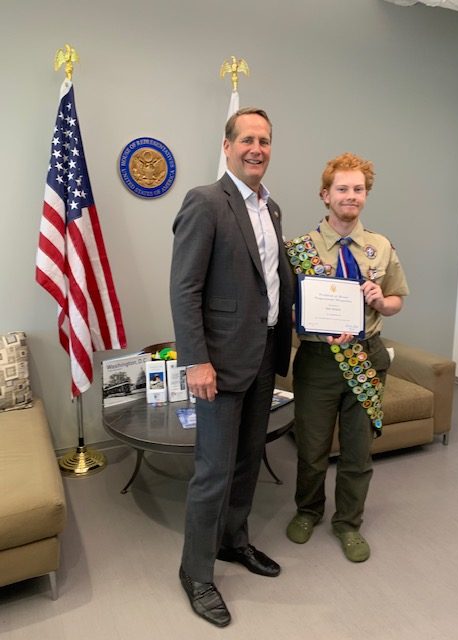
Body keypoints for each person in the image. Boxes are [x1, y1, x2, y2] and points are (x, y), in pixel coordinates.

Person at [170, 107, 294, 627]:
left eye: (264, 140)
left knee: (247, 462)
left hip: (264, 356)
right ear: (227, 146)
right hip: (218, 364)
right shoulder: (205, 201)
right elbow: (185, 288)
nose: (256, 148)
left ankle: (232, 542)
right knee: (213, 471)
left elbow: (270, 281)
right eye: (247, 138)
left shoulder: (273, 208)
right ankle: (195, 573)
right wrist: (196, 360)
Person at [285, 152, 409, 562]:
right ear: (326, 195)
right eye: (343, 189)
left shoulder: (380, 247)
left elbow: (395, 303)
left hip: (366, 358)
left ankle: (348, 523)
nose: (350, 196)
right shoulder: (298, 250)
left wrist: (381, 299)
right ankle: (308, 510)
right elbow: (284, 308)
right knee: (312, 447)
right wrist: (299, 315)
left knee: (357, 452)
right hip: (318, 359)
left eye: (358, 189)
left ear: (365, 195)